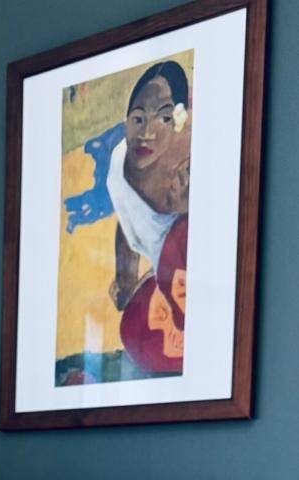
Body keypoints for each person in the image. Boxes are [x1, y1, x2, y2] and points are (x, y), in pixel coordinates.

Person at [105, 60, 190, 375]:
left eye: (164, 117)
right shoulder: (119, 168)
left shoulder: (190, 171)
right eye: (138, 118)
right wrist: (124, 275)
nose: (147, 133)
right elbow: (128, 225)